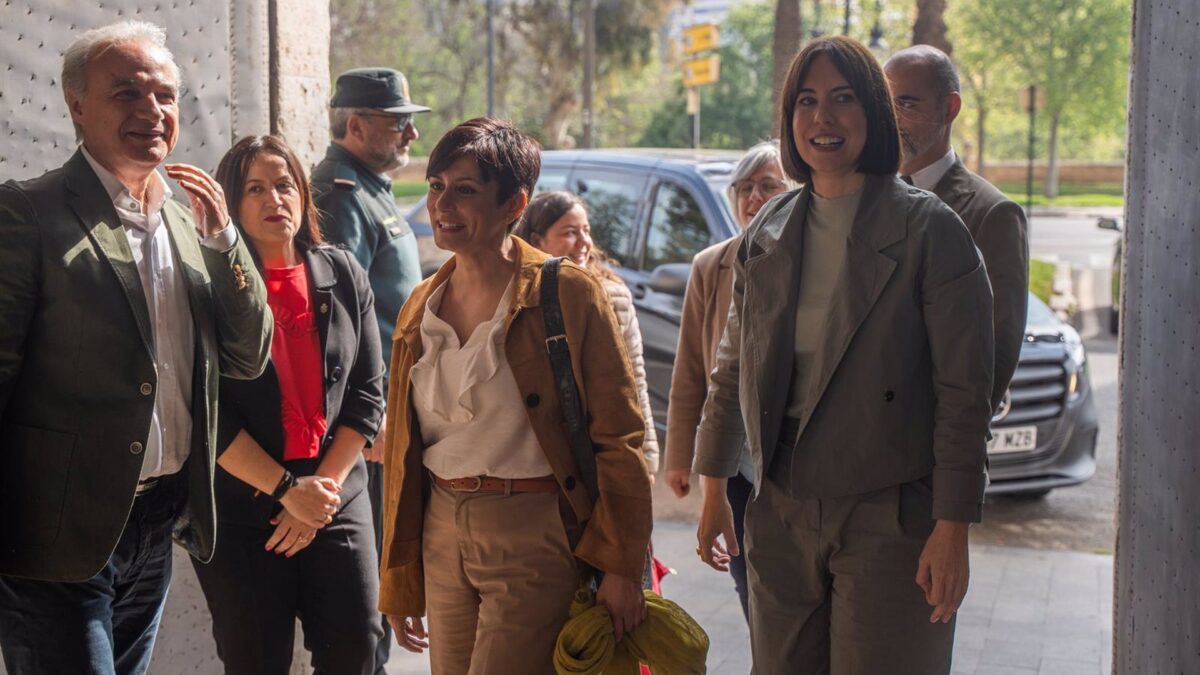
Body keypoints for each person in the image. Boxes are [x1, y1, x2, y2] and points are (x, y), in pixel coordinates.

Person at [694, 36, 995, 674]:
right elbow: (732, 369)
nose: (822, 118)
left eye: (843, 98)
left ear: (874, 112)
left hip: (891, 508)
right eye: (806, 101)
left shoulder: (931, 231)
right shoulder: (768, 230)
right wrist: (714, 485)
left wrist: (953, 526)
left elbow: (964, 396)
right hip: (779, 504)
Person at [0, 21, 273, 674]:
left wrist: (224, 240)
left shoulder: (189, 222)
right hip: (54, 534)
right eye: (126, 92)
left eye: (165, 95)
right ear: (77, 106)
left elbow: (248, 355)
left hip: (156, 524)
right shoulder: (27, 213)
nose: (151, 110)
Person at [378, 117, 653, 674]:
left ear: (514, 204)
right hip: (441, 526)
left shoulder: (567, 292)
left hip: (533, 528)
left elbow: (619, 434)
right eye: (436, 186)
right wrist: (399, 578)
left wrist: (624, 565)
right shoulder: (421, 305)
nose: (442, 205)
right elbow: (405, 451)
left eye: (465, 190)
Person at [188, 135, 385, 674]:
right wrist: (286, 491)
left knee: (358, 646)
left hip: (334, 494)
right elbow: (206, 410)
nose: (274, 199)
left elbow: (368, 394)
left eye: (284, 184)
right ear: (231, 204)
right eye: (255, 189)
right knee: (256, 660)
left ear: (303, 193)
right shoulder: (205, 288)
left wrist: (320, 493)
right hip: (243, 508)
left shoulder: (343, 272)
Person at [310, 66, 430, 669]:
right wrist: (371, 412)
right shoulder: (340, 193)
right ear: (355, 126)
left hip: (391, 409)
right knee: (373, 583)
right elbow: (339, 318)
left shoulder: (371, 187)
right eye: (397, 122)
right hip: (370, 420)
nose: (411, 134)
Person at [663, 140, 793, 620]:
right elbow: (691, 372)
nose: (753, 197)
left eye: (768, 185)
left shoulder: (808, 260)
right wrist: (681, 457)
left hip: (790, 459)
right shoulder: (710, 264)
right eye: (744, 187)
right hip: (733, 459)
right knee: (749, 584)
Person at [885, 45, 1029, 409]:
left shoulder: (993, 214)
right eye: (885, 104)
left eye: (907, 104)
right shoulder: (868, 200)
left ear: (949, 108)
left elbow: (993, 362)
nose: (892, 119)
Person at [514, 190, 660, 479]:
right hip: (537, 457)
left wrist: (646, 453)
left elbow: (633, 379)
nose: (584, 242)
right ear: (537, 241)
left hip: (601, 448)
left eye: (586, 230)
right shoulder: (517, 301)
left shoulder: (613, 295)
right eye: (570, 232)